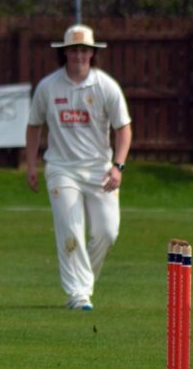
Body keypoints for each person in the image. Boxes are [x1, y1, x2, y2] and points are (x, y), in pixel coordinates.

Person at [25, 25, 132, 311]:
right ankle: (78, 293)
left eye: (84, 50)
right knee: (71, 229)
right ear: (64, 53)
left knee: (107, 232)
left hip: (100, 170)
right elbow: (34, 125)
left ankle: (83, 284)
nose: (79, 55)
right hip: (62, 169)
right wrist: (32, 165)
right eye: (73, 50)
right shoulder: (48, 86)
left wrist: (118, 166)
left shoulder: (105, 86)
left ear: (93, 53)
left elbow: (124, 129)